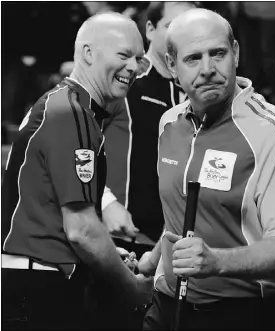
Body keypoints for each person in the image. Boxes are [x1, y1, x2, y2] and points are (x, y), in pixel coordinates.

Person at [142, 8, 275, 330]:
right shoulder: (169, 123)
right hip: (166, 309)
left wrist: (217, 263)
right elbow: (183, 216)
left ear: (236, 54)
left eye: (218, 53)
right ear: (172, 66)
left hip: (243, 314)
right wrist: (152, 260)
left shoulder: (271, 131)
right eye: (193, 58)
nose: (208, 69)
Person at [1, 12, 153, 331]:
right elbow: (82, 231)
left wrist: (111, 254)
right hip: (38, 287)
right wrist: (132, 287)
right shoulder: (71, 114)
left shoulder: (66, 105)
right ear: (87, 53)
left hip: (34, 279)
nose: (134, 68)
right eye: (124, 55)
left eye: (139, 59)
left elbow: (55, 212)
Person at [102, 2, 199, 250]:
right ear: (150, 29)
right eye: (171, 26)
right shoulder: (124, 79)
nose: (179, 36)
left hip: (174, 244)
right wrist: (105, 202)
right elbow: (70, 142)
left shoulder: (201, 92)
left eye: (189, 29)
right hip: (122, 236)